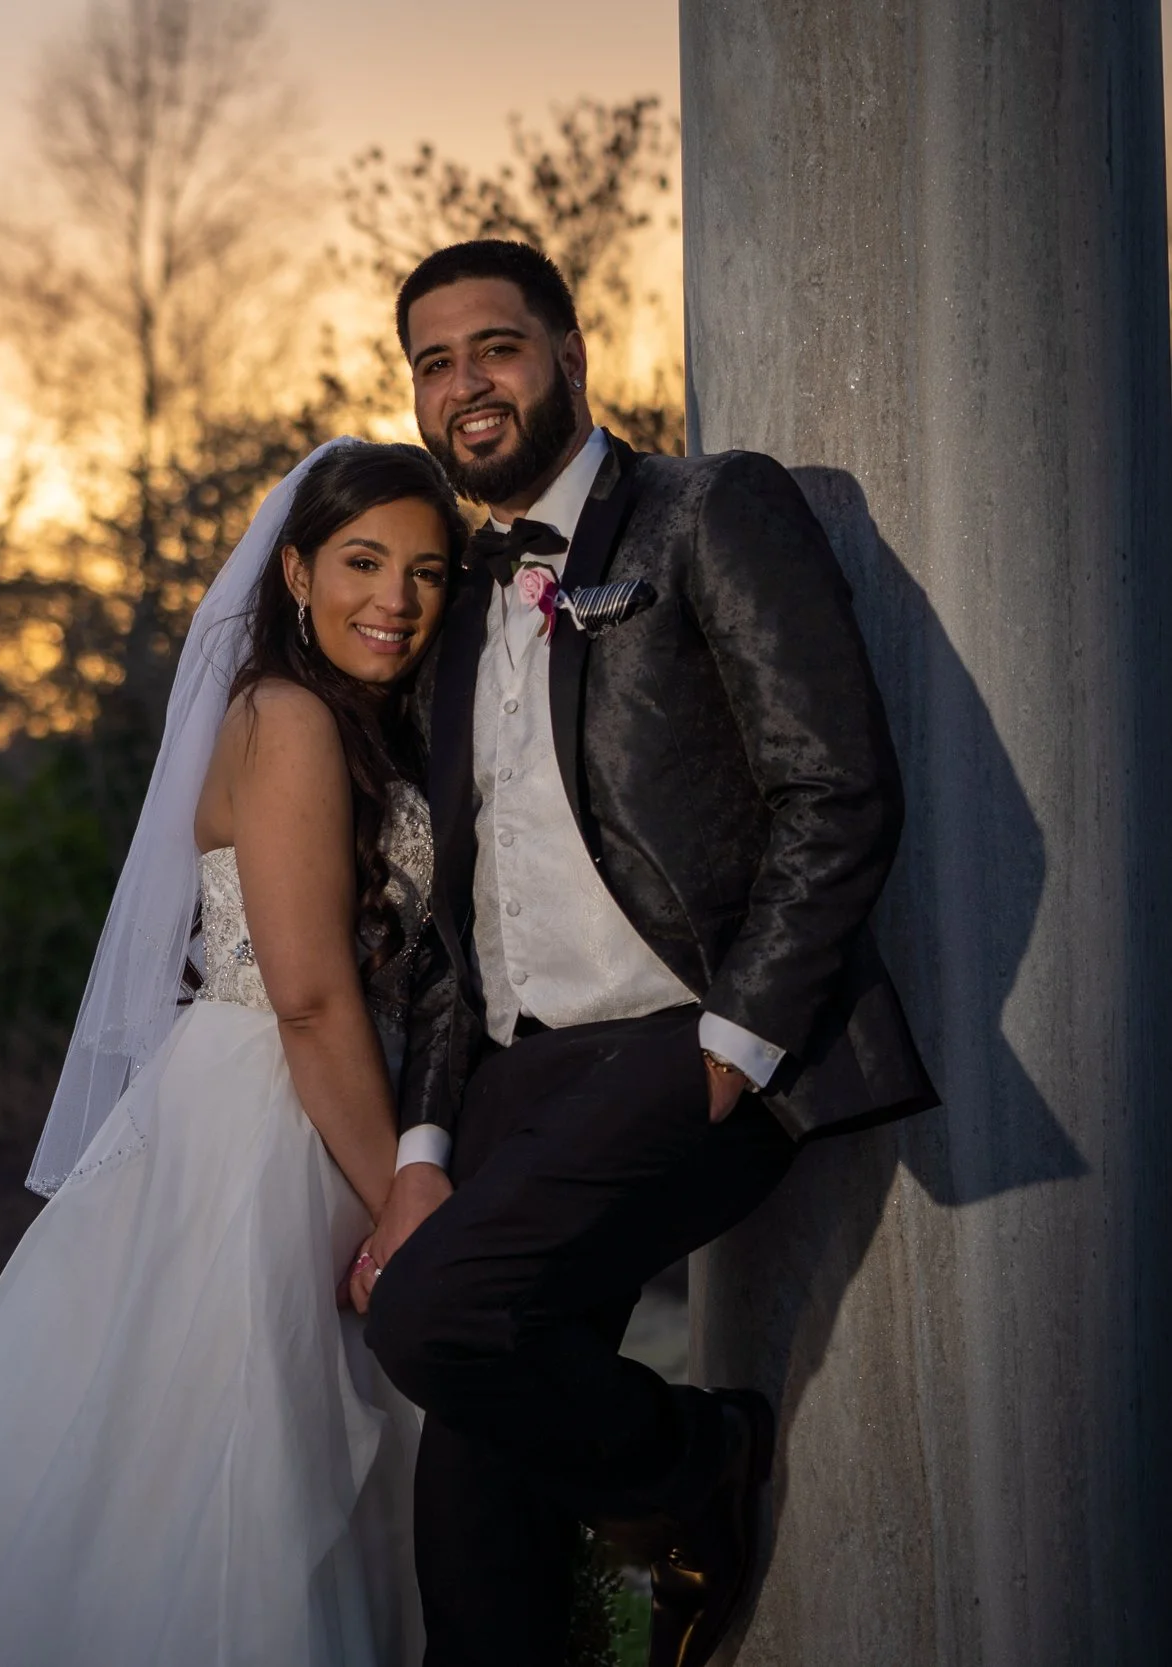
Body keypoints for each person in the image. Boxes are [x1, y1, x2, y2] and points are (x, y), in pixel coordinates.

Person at [354, 239, 939, 1667]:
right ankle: (658, 1502)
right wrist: (422, 1142)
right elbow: (452, 917)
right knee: (470, 1541)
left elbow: (836, 787)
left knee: (429, 1318)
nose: (464, 385)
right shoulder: (454, 594)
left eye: (494, 347)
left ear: (568, 354)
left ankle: (698, 1459)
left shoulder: (706, 511)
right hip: (512, 1076)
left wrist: (737, 1040)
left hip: (686, 1047)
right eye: (433, 363)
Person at [0, 441, 461, 1667]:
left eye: (425, 571)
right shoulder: (288, 717)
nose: (395, 599)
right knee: (233, 1476)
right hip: (275, 1123)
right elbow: (310, 999)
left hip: (318, 1106)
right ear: (296, 572)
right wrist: (398, 1208)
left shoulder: (368, 729)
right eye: (362, 562)